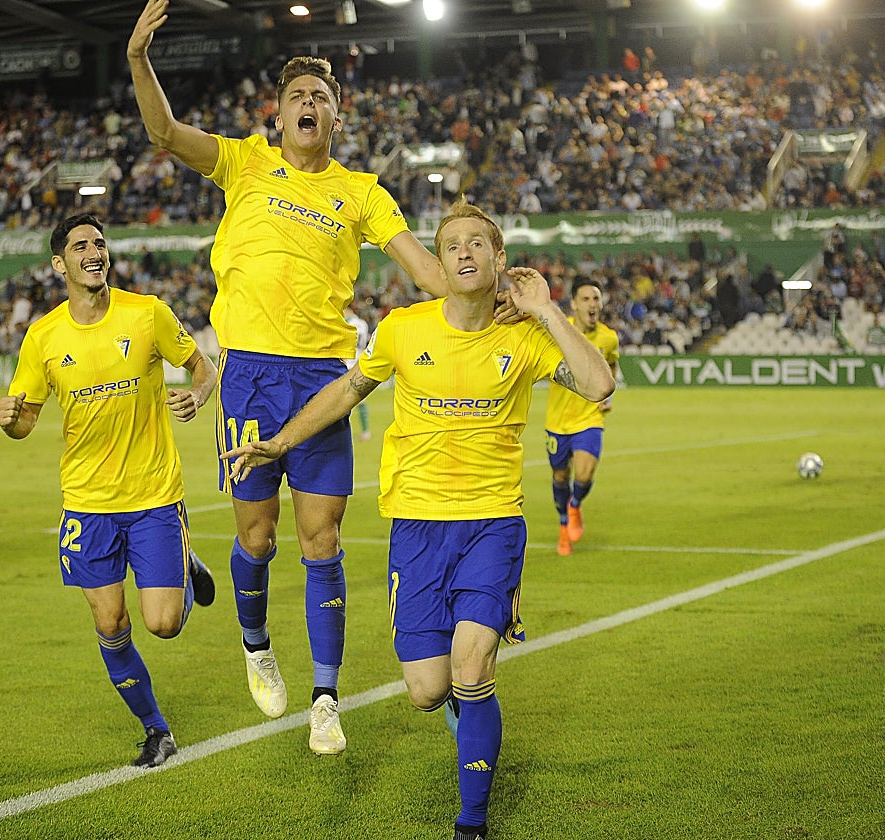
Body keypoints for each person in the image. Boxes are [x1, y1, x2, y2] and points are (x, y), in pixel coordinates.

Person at [129, 0, 514, 755]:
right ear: (277, 115)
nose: (310, 105)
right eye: (299, 96)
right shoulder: (243, 162)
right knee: (257, 535)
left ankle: (325, 696)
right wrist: (140, 59)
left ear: (338, 118)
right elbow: (163, 134)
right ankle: (255, 643)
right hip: (247, 377)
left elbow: (431, 272)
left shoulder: (362, 192)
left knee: (320, 537)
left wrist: (501, 295)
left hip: (320, 378)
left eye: (322, 99)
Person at [222, 198, 614, 840]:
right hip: (417, 529)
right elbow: (349, 389)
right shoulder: (404, 328)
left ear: (499, 261)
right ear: (438, 259)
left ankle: (472, 822)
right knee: (428, 690)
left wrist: (546, 308)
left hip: (491, 522)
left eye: (476, 243)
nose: (463, 252)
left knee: (470, 663)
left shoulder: (525, 333)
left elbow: (598, 385)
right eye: (451, 243)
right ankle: (471, 698)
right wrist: (282, 442)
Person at [0, 214, 219, 768]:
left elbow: (202, 365)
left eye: (99, 243)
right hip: (87, 503)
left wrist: (199, 394)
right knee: (110, 624)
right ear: (59, 264)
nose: (94, 252)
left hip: (152, 496)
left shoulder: (147, 314)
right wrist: (9, 421)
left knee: (163, 624)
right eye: (80, 246)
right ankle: (156, 729)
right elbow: (24, 422)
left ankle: (183, 560)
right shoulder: (43, 336)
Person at [544, 277, 621, 556]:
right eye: (586, 299)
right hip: (558, 420)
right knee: (560, 476)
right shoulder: (558, 332)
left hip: (589, 418)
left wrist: (607, 396)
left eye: (596, 298)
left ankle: (575, 506)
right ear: (574, 304)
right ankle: (564, 527)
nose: (592, 304)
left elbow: (611, 365)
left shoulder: (608, 337)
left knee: (585, 472)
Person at [344, 305, 372, 441]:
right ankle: (366, 432)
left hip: (346, 364)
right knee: (361, 400)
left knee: (343, 403)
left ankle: (344, 435)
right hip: (359, 364)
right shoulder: (363, 323)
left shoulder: (346, 323)